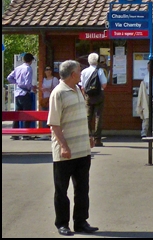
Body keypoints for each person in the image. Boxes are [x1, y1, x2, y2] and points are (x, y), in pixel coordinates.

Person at [48, 60, 98, 236]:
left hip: (82, 149)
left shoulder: (78, 89)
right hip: (65, 151)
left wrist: (89, 135)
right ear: (72, 74)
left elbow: (83, 116)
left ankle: (81, 222)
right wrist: (63, 146)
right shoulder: (58, 93)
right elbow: (54, 124)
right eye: (79, 70)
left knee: (82, 188)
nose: (81, 72)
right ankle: (62, 224)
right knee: (62, 190)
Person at [80, 54, 108, 147]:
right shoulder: (100, 71)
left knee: (87, 117)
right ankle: (97, 140)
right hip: (99, 95)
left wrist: (85, 95)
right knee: (98, 117)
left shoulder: (84, 71)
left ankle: (88, 137)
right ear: (97, 61)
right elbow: (104, 85)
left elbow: (82, 86)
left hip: (88, 96)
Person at [7, 52, 36, 138]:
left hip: (17, 93)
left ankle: (14, 134)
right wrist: (32, 87)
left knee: (17, 114)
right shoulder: (28, 69)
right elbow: (27, 83)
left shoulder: (18, 68)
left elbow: (9, 77)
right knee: (28, 114)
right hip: (25, 93)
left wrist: (17, 83)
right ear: (30, 61)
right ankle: (26, 134)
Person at [40, 65, 60, 129]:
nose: (48, 71)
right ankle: (44, 130)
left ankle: (50, 130)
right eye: (46, 70)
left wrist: (48, 90)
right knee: (44, 115)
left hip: (51, 99)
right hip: (44, 100)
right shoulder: (43, 79)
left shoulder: (54, 79)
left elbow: (57, 90)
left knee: (50, 115)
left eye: (49, 70)